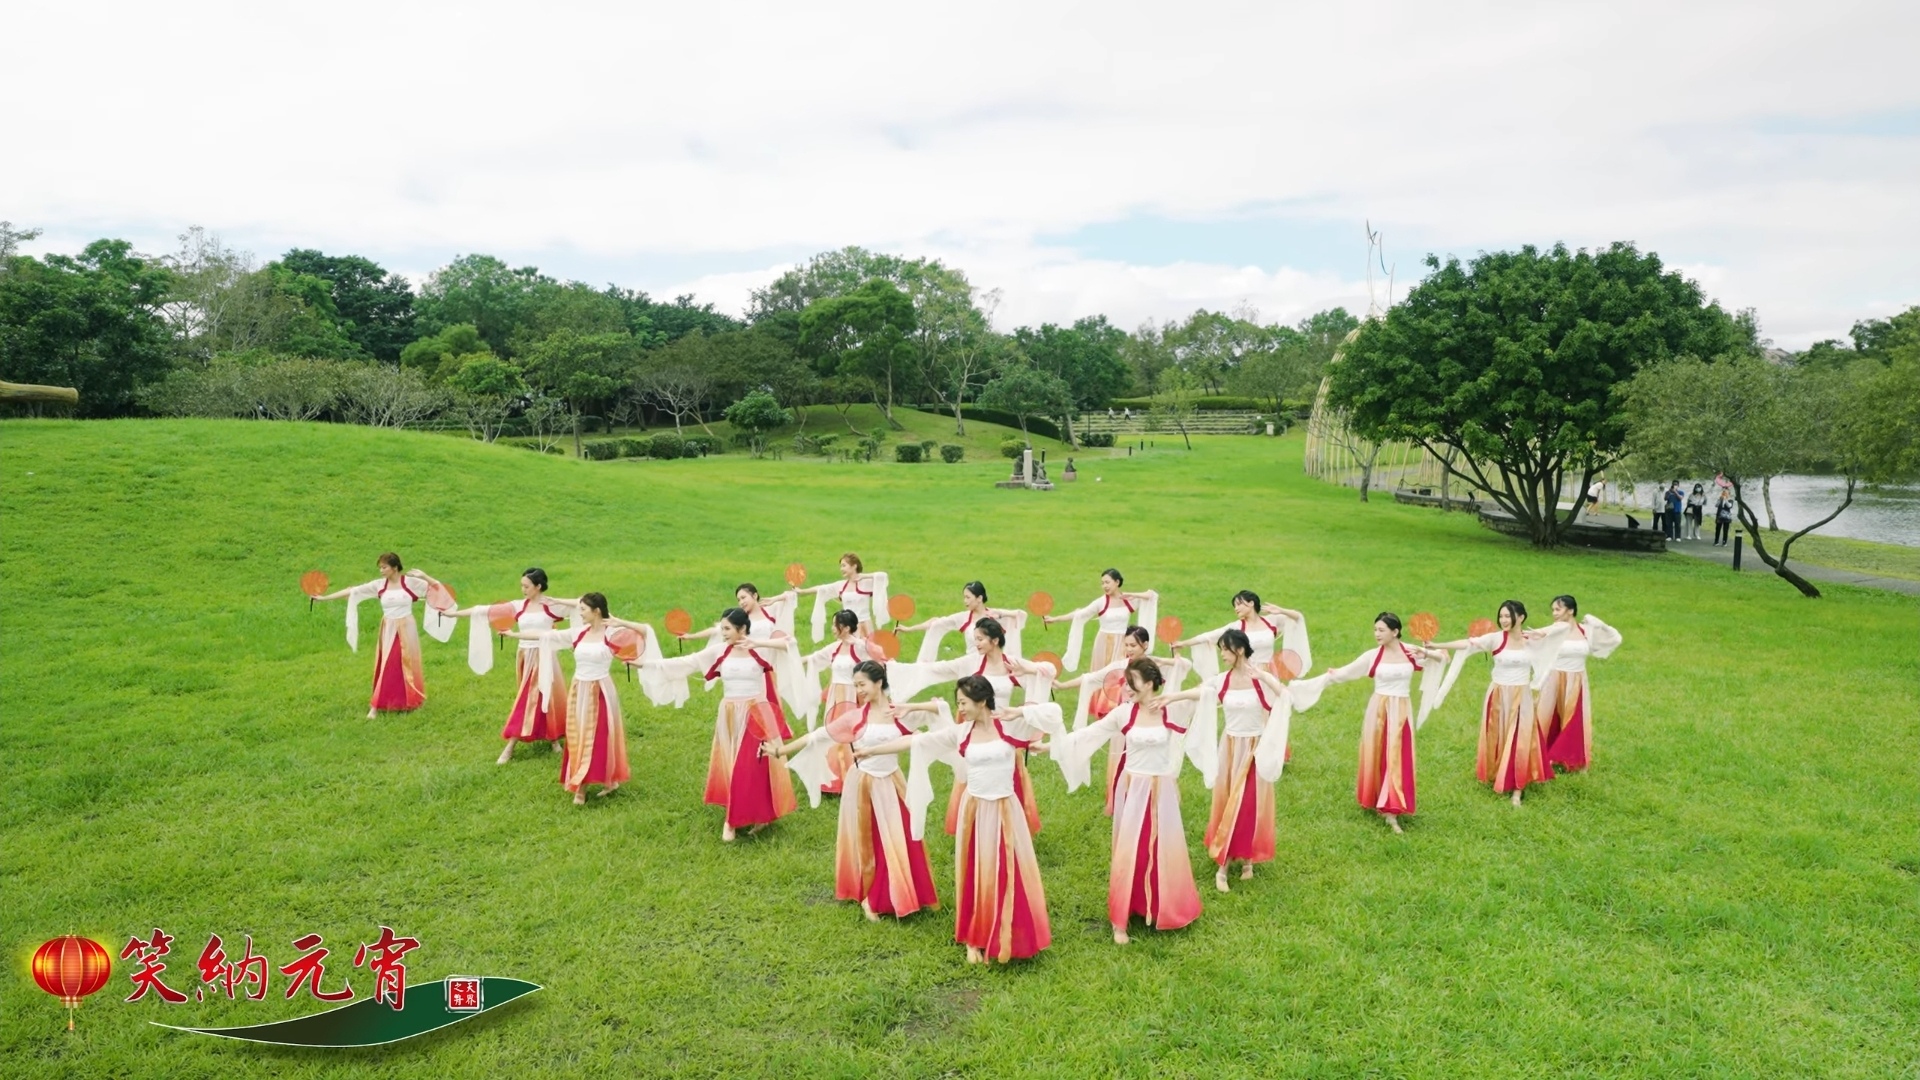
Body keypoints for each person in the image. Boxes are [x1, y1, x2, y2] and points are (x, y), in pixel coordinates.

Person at [861, 675, 1055, 964]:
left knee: (1008, 870)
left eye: (963, 702)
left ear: (981, 701)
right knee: (977, 872)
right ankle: (975, 938)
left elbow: (1054, 714)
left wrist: (1021, 711)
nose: (960, 708)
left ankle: (1007, 932)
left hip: (1005, 808)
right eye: (957, 703)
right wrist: (872, 750)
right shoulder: (962, 732)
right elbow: (917, 741)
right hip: (975, 809)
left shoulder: (1010, 725)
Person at [1054, 658, 1209, 943]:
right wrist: (1054, 745)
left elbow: (1208, 691)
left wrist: (1172, 696)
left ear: (1149, 684)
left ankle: (1161, 905)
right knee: (1130, 849)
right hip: (1133, 788)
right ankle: (1121, 919)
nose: (1126, 687)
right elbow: (1091, 733)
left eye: (1132, 682)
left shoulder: (1170, 708)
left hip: (1161, 789)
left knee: (1164, 848)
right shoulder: (1124, 714)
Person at [773, 661, 939, 920]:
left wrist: (912, 706)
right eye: (855, 686)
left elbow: (939, 709)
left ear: (879, 682)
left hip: (892, 782)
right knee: (869, 838)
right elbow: (819, 735)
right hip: (863, 784)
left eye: (862, 685)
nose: (858, 690)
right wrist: (781, 750)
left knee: (901, 836)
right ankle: (871, 897)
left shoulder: (899, 712)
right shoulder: (855, 717)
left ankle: (904, 889)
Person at [635, 609, 802, 841]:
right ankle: (742, 817)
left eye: (726, 629)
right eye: (722, 628)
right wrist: (646, 664)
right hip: (730, 713)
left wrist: (757, 642)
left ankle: (742, 819)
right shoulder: (719, 651)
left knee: (752, 765)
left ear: (742, 629)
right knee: (733, 764)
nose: (722, 633)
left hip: (756, 715)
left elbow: (790, 643)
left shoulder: (760, 650)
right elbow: (687, 662)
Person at [888, 617, 1054, 835]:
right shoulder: (971, 662)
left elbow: (1049, 671)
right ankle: (975, 824)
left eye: (980, 639)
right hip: (974, 724)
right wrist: (894, 668)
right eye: (975, 638)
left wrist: (1028, 668)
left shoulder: (1012, 664)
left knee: (1006, 773)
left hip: (1003, 728)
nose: (976, 643)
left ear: (995, 640)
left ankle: (1009, 825)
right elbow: (940, 669)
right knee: (975, 770)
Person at [1288, 613, 1447, 834]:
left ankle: (1392, 808)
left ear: (1395, 631)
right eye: (1375, 630)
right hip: (1379, 709)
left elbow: (1442, 658)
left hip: (1401, 710)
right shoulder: (1373, 656)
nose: (1377, 634)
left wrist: (1426, 652)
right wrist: (1321, 679)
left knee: (1396, 755)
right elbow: (1345, 672)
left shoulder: (1410, 652)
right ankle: (1379, 797)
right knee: (1378, 753)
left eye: (1381, 630)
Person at [504, 592, 647, 805]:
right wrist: (514, 635)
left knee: (599, 735)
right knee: (577, 735)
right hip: (578, 689)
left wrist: (619, 621)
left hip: (601, 691)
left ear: (596, 611)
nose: (579, 613)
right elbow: (546, 636)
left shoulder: (612, 633)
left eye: (583, 610)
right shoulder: (579, 632)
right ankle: (598, 781)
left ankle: (583, 786)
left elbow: (645, 631)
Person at [1188, 630, 1293, 891]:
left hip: (1254, 748)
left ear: (1240, 650)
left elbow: (1285, 698)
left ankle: (1247, 858)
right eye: (1221, 649)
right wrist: (1168, 698)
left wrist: (1266, 676)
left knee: (1248, 803)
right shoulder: (1222, 680)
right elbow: (1199, 693)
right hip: (1231, 746)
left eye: (1225, 649)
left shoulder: (1259, 680)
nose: (1222, 654)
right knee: (1228, 800)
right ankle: (1224, 861)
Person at [1423, 601, 1550, 806]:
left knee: (1519, 737)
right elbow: (1467, 644)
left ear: (1521, 618)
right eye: (1501, 616)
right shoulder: (1495, 638)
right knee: (1499, 735)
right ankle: (1499, 772)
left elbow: (1558, 638)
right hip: (1498, 694)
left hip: (1522, 695)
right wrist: (1437, 645)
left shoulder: (1531, 640)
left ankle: (1517, 788)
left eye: (1508, 616)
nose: (1503, 620)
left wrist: (1544, 634)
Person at [448, 568, 579, 764]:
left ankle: (516, 744)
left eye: (526, 586)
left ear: (538, 586)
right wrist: (453, 614)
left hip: (544, 656)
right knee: (534, 696)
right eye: (522, 586)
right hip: (525, 655)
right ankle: (551, 740)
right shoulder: (519, 606)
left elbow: (581, 604)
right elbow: (485, 610)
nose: (523, 589)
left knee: (540, 696)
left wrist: (558, 600)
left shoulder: (551, 606)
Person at [312, 552, 444, 719]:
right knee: (387, 664)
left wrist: (425, 576)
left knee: (406, 664)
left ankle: (408, 700)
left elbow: (438, 590)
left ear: (395, 567)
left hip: (407, 627)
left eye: (384, 567)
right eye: (380, 567)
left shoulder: (410, 583)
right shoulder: (379, 585)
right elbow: (353, 591)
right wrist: (325, 598)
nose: (381, 570)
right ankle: (375, 706)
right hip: (388, 627)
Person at [1528, 594, 1623, 773]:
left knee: (1574, 718)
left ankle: (1573, 757)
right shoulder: (1555, 629)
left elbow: (1615, 638)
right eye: (1553, 610)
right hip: (1555, 678)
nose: (1554, 613)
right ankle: (1545, 754)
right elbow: (1538, 637)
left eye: (1558, 609)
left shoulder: (1586, 630)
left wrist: (1599, 624)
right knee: (1548, 716)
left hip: (1577, 679)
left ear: (1570, 610)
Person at [797, 609, 882, 794]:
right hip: (836, 697)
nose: (832, 628)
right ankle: (834, 777)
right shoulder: (834, 648)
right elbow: (814, 658)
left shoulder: (859, 647)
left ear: (844, 627)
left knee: (851, 735)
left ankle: (853, 776)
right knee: (833, 733)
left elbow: (880, 655)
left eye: (834, 624)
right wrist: (792, 661)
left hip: (852, 696)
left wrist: (858, 641)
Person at [1170, 589, 1312, 681]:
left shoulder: (1271, 621)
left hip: (1269, 674)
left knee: (1269, 712)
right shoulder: (1237, 626)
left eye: (1239, 604)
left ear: (1250, 603)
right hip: (1247, 673)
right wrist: (1184, 643)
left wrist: (1281, 610)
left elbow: (1298, 617)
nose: (1236, 609)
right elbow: (1210, 635)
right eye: (1234, 606)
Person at [1044, 568, 1158, 672]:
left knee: (1120, 674)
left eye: (1107, 582)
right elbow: (1080, 614)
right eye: (1102, 583)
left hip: (1123, 643)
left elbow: (1151, 596)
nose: (1104, 586)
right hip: (1104, 642)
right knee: (1102, 674)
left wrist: (1132, 594)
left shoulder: (1128, 600)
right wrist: (1055, 619)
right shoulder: (1101, 602)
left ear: (1117, 582)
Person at [900, 581, 1028, 663]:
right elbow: (937, 622)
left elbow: (1020, 615)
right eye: (964, 597)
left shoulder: (994, 615)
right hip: (971, 663)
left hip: (993, 664)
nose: (965, 601)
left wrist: (1002, 614)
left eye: (968, 597)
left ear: (979, 598)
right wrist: (909, 629)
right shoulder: (964, 618)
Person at [795, 553, 890, 640]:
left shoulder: (865, 583)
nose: (841, 569)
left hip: (864, 625)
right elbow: (822, 588)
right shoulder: (841, 585)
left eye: (844, 565)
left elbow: (883, 576)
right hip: (847, 627)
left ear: (854, 566)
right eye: (841, 566)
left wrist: (864, 576)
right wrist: (802, 591)